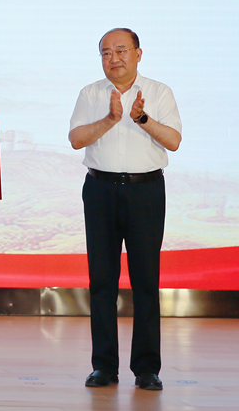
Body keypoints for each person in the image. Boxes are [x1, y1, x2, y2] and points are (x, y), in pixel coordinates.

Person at [69, 28, 181, 392]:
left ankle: (147, 368)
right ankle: (103, 366)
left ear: (138, 54)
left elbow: (174, 141)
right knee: (102, 281)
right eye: (106, 53)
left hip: (145, 191)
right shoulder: (90, 93)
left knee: (145, 280)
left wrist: (142, 118)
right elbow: (76, 139)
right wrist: (109, 120)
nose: (113, 58)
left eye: (121, 51)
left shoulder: (159, 92)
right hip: (100, 190)